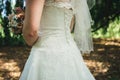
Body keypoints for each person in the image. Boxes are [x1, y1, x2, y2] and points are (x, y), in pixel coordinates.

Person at [19, 0, 96, 80]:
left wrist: (23, 25)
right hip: (71, 53)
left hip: (45, 53)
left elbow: (31, 33)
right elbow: (69, 27)